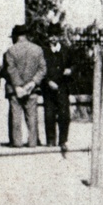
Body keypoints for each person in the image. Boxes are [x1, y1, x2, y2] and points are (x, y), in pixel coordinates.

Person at [2, 25, 46, 148]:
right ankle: (32, 142)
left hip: (16, 89)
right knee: (32, 116)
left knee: (16, 116)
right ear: (26, 35)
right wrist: (32, 83)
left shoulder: (11, 50)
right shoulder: (37, 49)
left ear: (16, 36)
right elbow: (42, 69)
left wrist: (18, 86)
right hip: (32, 89)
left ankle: (17, 142)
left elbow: (11, 69)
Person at [41, 25, 74, 155]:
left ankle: (63, 140)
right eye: (51, 36)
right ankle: (50, 140)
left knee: (64, 114)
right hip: (48, 87)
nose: (53, 39)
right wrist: (48, 81)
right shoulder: (43, 51)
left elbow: (75, 64)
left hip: (63, 87)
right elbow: (40, 69)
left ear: (59, 36)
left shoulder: (66, 50)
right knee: (49, 113)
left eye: (55, 36)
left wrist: (70, 70)